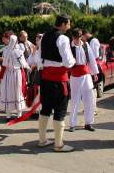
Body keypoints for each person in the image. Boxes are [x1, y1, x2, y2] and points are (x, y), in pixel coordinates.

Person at [37, 14, 76, 152]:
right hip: (59, 79)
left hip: (46, 79)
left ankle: (42, 140)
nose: (70, 26)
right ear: (64, 24)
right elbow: (68, 62)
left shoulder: (44, 36)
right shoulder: (63, 38)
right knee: (60, 111)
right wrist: (74, 61)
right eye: (69, 23)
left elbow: (38, 57)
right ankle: (58, 144)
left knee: (45, 108)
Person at [68, 28, 99, 132]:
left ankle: (88, 123)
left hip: (86, 76)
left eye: (79, 37)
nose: (77, 40)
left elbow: (92, 59)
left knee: (89, 99)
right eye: (75, 38)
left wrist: (94, 73)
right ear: (72, 37)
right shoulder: (69, 47)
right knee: (74, 101)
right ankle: (72, 124)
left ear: (81, 36)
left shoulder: (86, 45)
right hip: (75, 76)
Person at [0, 33, 27, 122]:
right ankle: (19, 115)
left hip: (7, 74)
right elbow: (23, 63)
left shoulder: (6, 50)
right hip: (16, 73)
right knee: (17, 92)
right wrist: (29, 68)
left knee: (8, 93)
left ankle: (8, 116)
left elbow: (4, 64)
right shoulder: (18, 51)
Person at [82, 29, 101, 115]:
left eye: (83, 36)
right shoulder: (89, 41)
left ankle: (93, 109)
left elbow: (95, 54)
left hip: (94, 66)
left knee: (92, 88)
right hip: (90, 66)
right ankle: (89, 107)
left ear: (86, 34)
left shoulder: (94, 40)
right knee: (88, 88)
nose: (83, 38)